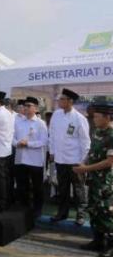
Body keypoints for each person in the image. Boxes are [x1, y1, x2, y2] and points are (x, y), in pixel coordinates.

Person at [73, 101, 113, 257]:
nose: (94, 119)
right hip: (94, 179)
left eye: (96, 117)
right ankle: (98, 241)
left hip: (106, 183)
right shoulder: (97, 131)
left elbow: (109, 162)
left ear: (107, 117)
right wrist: (84, 162)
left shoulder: (111, 135)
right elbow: (92, 152)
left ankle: (110, 245)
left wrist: (85, 169)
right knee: (94, 209)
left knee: (106, 212)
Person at [49, 88, 90, 225]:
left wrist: (83, 161)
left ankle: (80, 215)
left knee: (79, 189)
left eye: (62, 99)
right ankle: (62, 213)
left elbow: (85, 141)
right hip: (60, 159)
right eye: (59, 99)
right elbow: (52, 135)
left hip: (75, 160)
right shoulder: (56, 114)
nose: (59, 101)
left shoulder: (79, 118)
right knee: (63, 188)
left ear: (70, 101)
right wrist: (52, 151)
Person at [13, 97, 48, 218]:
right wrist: (16, 143)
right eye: (25, 106)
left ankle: (38, 208)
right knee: (22, 185)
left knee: (37, 186)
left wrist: (28, 144)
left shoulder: (40, 123)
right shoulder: (18, 122)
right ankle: (24, 207)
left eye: (29, 106)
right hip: (20, 158)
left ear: (36, 108)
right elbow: (12, 137)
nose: (26, 108)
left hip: (35, 160)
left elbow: (43, 141)